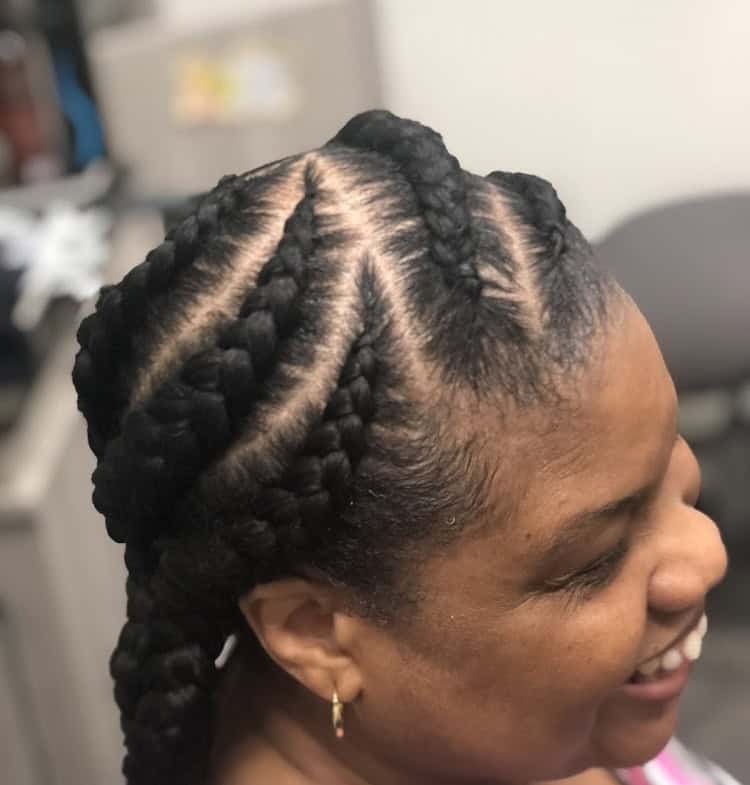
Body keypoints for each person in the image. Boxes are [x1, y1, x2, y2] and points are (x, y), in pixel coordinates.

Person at [72, 110, 736, 785]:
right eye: (597, 560)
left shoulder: (488, 730)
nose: (708, 555)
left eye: (673, 471)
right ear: (315, 633)